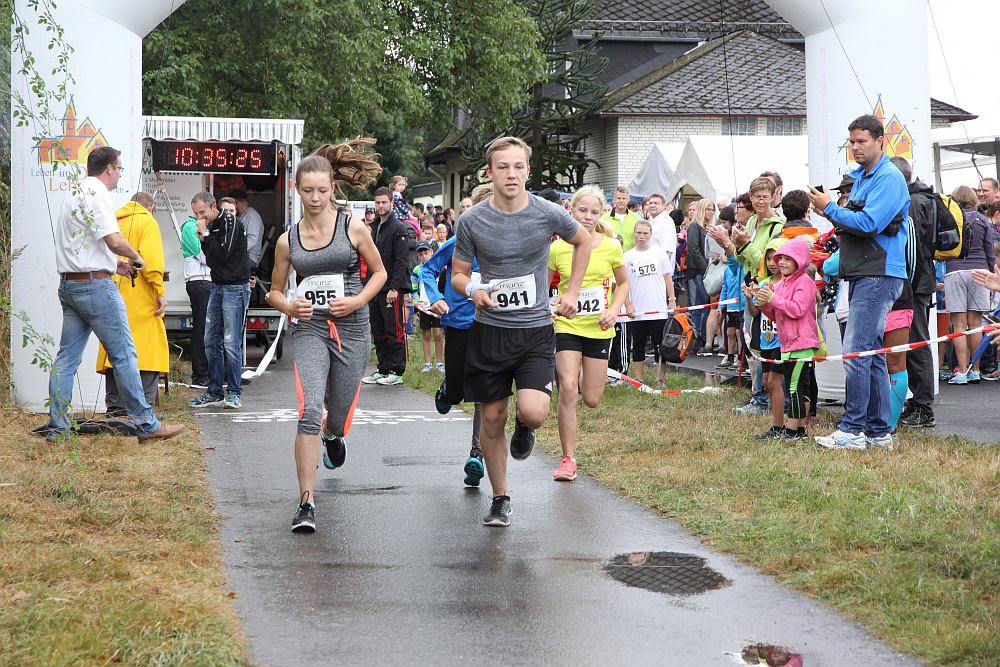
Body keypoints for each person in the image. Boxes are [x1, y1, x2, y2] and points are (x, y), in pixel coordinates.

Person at [451, 136, 590, 527]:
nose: (511, 174)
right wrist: (473, 290)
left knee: (533, 411)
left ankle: (526, 427)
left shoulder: (547, 213)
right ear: (489, 172)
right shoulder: (472, 220)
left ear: (528, 170)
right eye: (503, 167)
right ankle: (500, 498)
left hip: (534, 331)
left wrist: (572, 292)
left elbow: (583, 241)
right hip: (490, 331)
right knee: (492, 418)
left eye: (518, 167)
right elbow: (458, 274)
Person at [266, 140, 387, 533]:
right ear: (297, 190)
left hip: (352, 328)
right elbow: (274, 292)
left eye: (322, 190)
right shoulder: (288, 240)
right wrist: (290, 307)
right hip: (311, 329)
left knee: (336, 417)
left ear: (332, 188)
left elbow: (380, 273)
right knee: (308, 411)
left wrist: (357, 301)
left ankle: (333, 434)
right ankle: (306, 502)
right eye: (308, 191)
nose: (315, 198)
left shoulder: (352, 227)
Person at [44, 146, 182, 443]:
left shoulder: (74, 193)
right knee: (124, 354)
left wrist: (115, 265)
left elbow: (86, 246)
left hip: (69, 284)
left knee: (66, 358)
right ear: (109, 168)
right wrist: (136, 258)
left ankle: (57, 426)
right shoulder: (98, 194)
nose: (120, 174)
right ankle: (146, 424)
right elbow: (114, 240)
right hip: (95, 287)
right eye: (119, 168)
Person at [808, 113, 910, 450]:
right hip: (867, 271)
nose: (855, 147)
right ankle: (879, 431)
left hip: (878, 272)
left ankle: (853, 429)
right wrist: (830, 211)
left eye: (861, 141)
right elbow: (856, 222)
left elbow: (868, 223)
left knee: (856, 351)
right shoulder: (865, 177)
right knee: (872, 353)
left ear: (880, 141)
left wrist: (830, 208)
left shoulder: (888, 178)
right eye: (851, 142)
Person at [548, 185, 628, 482]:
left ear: (602, 213)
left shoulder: (611, 246)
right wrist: (552, 305)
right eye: (583, 210)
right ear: (571, 210)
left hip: (599, 327)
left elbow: (623, 283)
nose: (588, 216)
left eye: (595, 212)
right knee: (568, 388)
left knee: (592, 398)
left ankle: (582, 369)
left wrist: (614, 309)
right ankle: (568, 458)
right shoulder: (558, 248)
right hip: (567, 326)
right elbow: (544, 286)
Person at [423, 182, 491, 487]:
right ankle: (448, 389)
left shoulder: (505, 244)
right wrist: (436, 297)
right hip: (459, 322)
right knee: (457, 393)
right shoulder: (458, 242)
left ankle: (476, 454)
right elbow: (428, 270)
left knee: (482, 393)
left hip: (490, 325)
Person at [96, 192, 169, 415]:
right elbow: (151, 262)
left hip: (112, 291)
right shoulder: (148, 222)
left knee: (115, 348)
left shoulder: (113, 221)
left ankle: (115, 407)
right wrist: (159, 290)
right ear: (151, 207)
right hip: (140, 294)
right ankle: (142, 409)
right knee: (149, 350)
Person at [187, 192, 252, 409]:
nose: (200, 218)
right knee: (210, 340)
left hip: (235, 287)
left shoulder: (230, 222)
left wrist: (205, 235)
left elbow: (224, 254)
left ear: (213, 206)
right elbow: (211, 258)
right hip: (216, 285)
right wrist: (206, 238)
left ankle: (233, 392)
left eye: (202, 212)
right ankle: (214, 390)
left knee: (231, 342)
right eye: (196, 214)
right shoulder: (211, 226)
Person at [755, 238, 819, 440]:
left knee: (794, 387)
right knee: (793, 386)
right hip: (788, 344)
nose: (781, 262)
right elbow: (776, 314)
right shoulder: (783, 283)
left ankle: (792, 430)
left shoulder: (805, 282)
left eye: (787, 259)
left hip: (802, 344)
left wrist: (773, 298)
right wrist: (763, 302)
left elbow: (798, 309)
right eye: (780, 258)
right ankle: (798, 430)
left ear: (799, 261)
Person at [892, 159, 938, 428]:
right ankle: (917, 402)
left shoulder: (912, 203)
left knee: (916, 342)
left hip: (915, 283)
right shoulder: (922, 198)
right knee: (911, 342)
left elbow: (913, 247)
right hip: (920, 281)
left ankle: (923, 407)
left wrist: (908, 284)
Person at [942, 185, 996, 385]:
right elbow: (989, 250)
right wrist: (990, 275)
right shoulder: (982, 220)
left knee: (958, 324)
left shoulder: (949, 218)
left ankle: (962, 371)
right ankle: (976, 369)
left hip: (955, 270)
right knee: (976, 324)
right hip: (980, 271)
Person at [361, 186, 411, 386]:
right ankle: (383, 369)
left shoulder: (398, 228)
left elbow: (401, 260)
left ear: (391, 202)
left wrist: (395, 288)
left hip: (391, 288)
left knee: (394, 331)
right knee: (378, 331)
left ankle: (397, 371)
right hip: (375, 287)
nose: (380, 206)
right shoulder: (374, 227)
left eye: (384, 202)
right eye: (377, 202)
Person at [744, 239, 787, 438]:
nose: (772, 263)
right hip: (765, 339)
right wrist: (749, 296)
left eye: (775, 259)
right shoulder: (762, 283)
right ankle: (775, 418)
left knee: (774, 382)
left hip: (781, 339)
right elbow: (755, 312)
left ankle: (778, 425)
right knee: (767, 382)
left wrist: (772, 296)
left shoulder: (787, 284)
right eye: (768, 259)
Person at [624, 219, 675, 385]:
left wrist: (672, 300)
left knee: (660, 345)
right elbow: (623, 285)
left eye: (645, 233)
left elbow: (668, 278)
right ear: (634, 234)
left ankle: (660, 379)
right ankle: (638, 378)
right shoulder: (627, 257)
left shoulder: (659, 253)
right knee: (638, 344)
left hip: (658, 309)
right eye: (639, 233)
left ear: (651, 235)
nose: (642, 236)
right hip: (637, 310)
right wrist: (628, 305)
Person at [180, 206, 212, 386]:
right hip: (198, 281)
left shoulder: (202, 227)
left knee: (208, 328)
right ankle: (200, 375)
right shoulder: (190, 227)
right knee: (201, 328)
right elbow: (202, 255)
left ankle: (210, 372)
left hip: (206, 280)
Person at [684, 199, 715, 343]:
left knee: (700, 303)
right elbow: (694, 250)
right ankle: (699, 335)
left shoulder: (707, 226)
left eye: (712, 210)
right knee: (703, 303)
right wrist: (706, 269)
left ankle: (697, 335)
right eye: (708, 209)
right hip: (698, 270)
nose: (711, 212)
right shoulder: (695, 226)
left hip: (706, 268)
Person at [414, 241, 444, 371]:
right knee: (426, 334)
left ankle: (439, 363)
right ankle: (427, 363)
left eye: (426, 253)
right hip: (424, 306)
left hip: (437, 304)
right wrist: (416, 301)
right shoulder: (417, 270)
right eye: (421, 254)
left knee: (438, 333)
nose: (424, 256)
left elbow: (443, 285)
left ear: (432, 252)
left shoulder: (439, 268)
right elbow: (414, 288)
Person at [231, 190, 265, 273]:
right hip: (242, 255)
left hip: (249, 257)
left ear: (236, 202)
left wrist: (235, 251)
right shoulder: (242, 215)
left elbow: (252, 240)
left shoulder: (252, 216)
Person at [601, 185, 642, 251]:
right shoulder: (604, 219)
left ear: (628, 199)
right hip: (611, 255)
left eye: (624, 198)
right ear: (614, 199)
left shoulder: (637, 219)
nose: (621, 201)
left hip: (631, 256)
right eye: (619, 198)